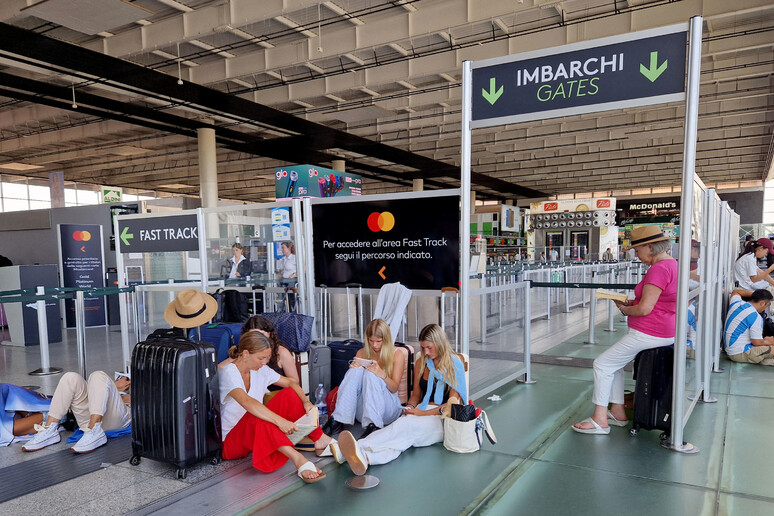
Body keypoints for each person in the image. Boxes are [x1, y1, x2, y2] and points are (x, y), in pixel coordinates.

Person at [572, 226, 677, 435]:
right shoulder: (673, 264)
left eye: (637, 250)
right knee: (615, 365)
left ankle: (599, 419)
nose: (636, 255)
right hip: (664, 331)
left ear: (650, 246)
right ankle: (618, 412)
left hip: (648, 332)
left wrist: (625, 308)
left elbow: (645, 309)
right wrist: (633, 301)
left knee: (601, 365)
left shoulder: (659, 269)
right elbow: (658, 301)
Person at [331, 324, 467, 476]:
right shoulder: (422, 362)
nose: (426, 352)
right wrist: (409, 408)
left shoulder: (455, 363)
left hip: (442, 419)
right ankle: (367, 458)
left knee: (403, 428)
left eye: (429, 347)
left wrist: (420, 414)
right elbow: (416, 395)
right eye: (423, 348)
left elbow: (452, 405)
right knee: (402, 438)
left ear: (440, 343)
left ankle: (354, 448)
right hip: (421, 411)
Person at [219, 331, 333, 483]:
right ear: (245, 354)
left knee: (290, 394)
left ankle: (320, 439)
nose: (264, 362)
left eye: (267, 358)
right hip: (232, 442)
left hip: (255, 430)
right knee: (257, 414)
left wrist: (306, 402)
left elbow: (291, 383)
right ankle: (298, 459)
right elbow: (247, 403)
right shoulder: (229, 373)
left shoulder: (260, 369)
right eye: (261, 358)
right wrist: (280, 421)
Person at [326, 319, 405, 439]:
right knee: (355, 371)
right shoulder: (361, 352)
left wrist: (381, 374)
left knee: (371, 373)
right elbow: (353, 386)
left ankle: (374, 426)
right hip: (364, 410)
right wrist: (352, 368)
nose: (375, 345)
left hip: (388, 408)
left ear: (386, 339)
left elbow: (394, 388)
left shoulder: (397, 354)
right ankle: (337, 420)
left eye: (379, 341)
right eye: (371, 341)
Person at [21, 372, 131, 453]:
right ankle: (50, 429)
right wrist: (114, 386)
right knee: (71, 377)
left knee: (98, 375)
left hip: (120, 417)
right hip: (90, 419)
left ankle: (95, 429)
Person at [218, 315, 300, 388]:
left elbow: (295, 381)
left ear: (269, 334)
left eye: (261, 335)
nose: (258, 339)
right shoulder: (244, 351)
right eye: (253, 336)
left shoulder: (281, 352)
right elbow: (220, 368)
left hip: (275, 396)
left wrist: (269, 379)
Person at [724, 288, 774, 366]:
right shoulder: (755, 316)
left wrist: (757, 296)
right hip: (738, 353)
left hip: (731, 349)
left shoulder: (737, 303)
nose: (765, 308)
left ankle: (762, 358)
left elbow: (736, 291)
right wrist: (767, 341)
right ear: (762, 303)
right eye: (767, 305)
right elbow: (757, 342)